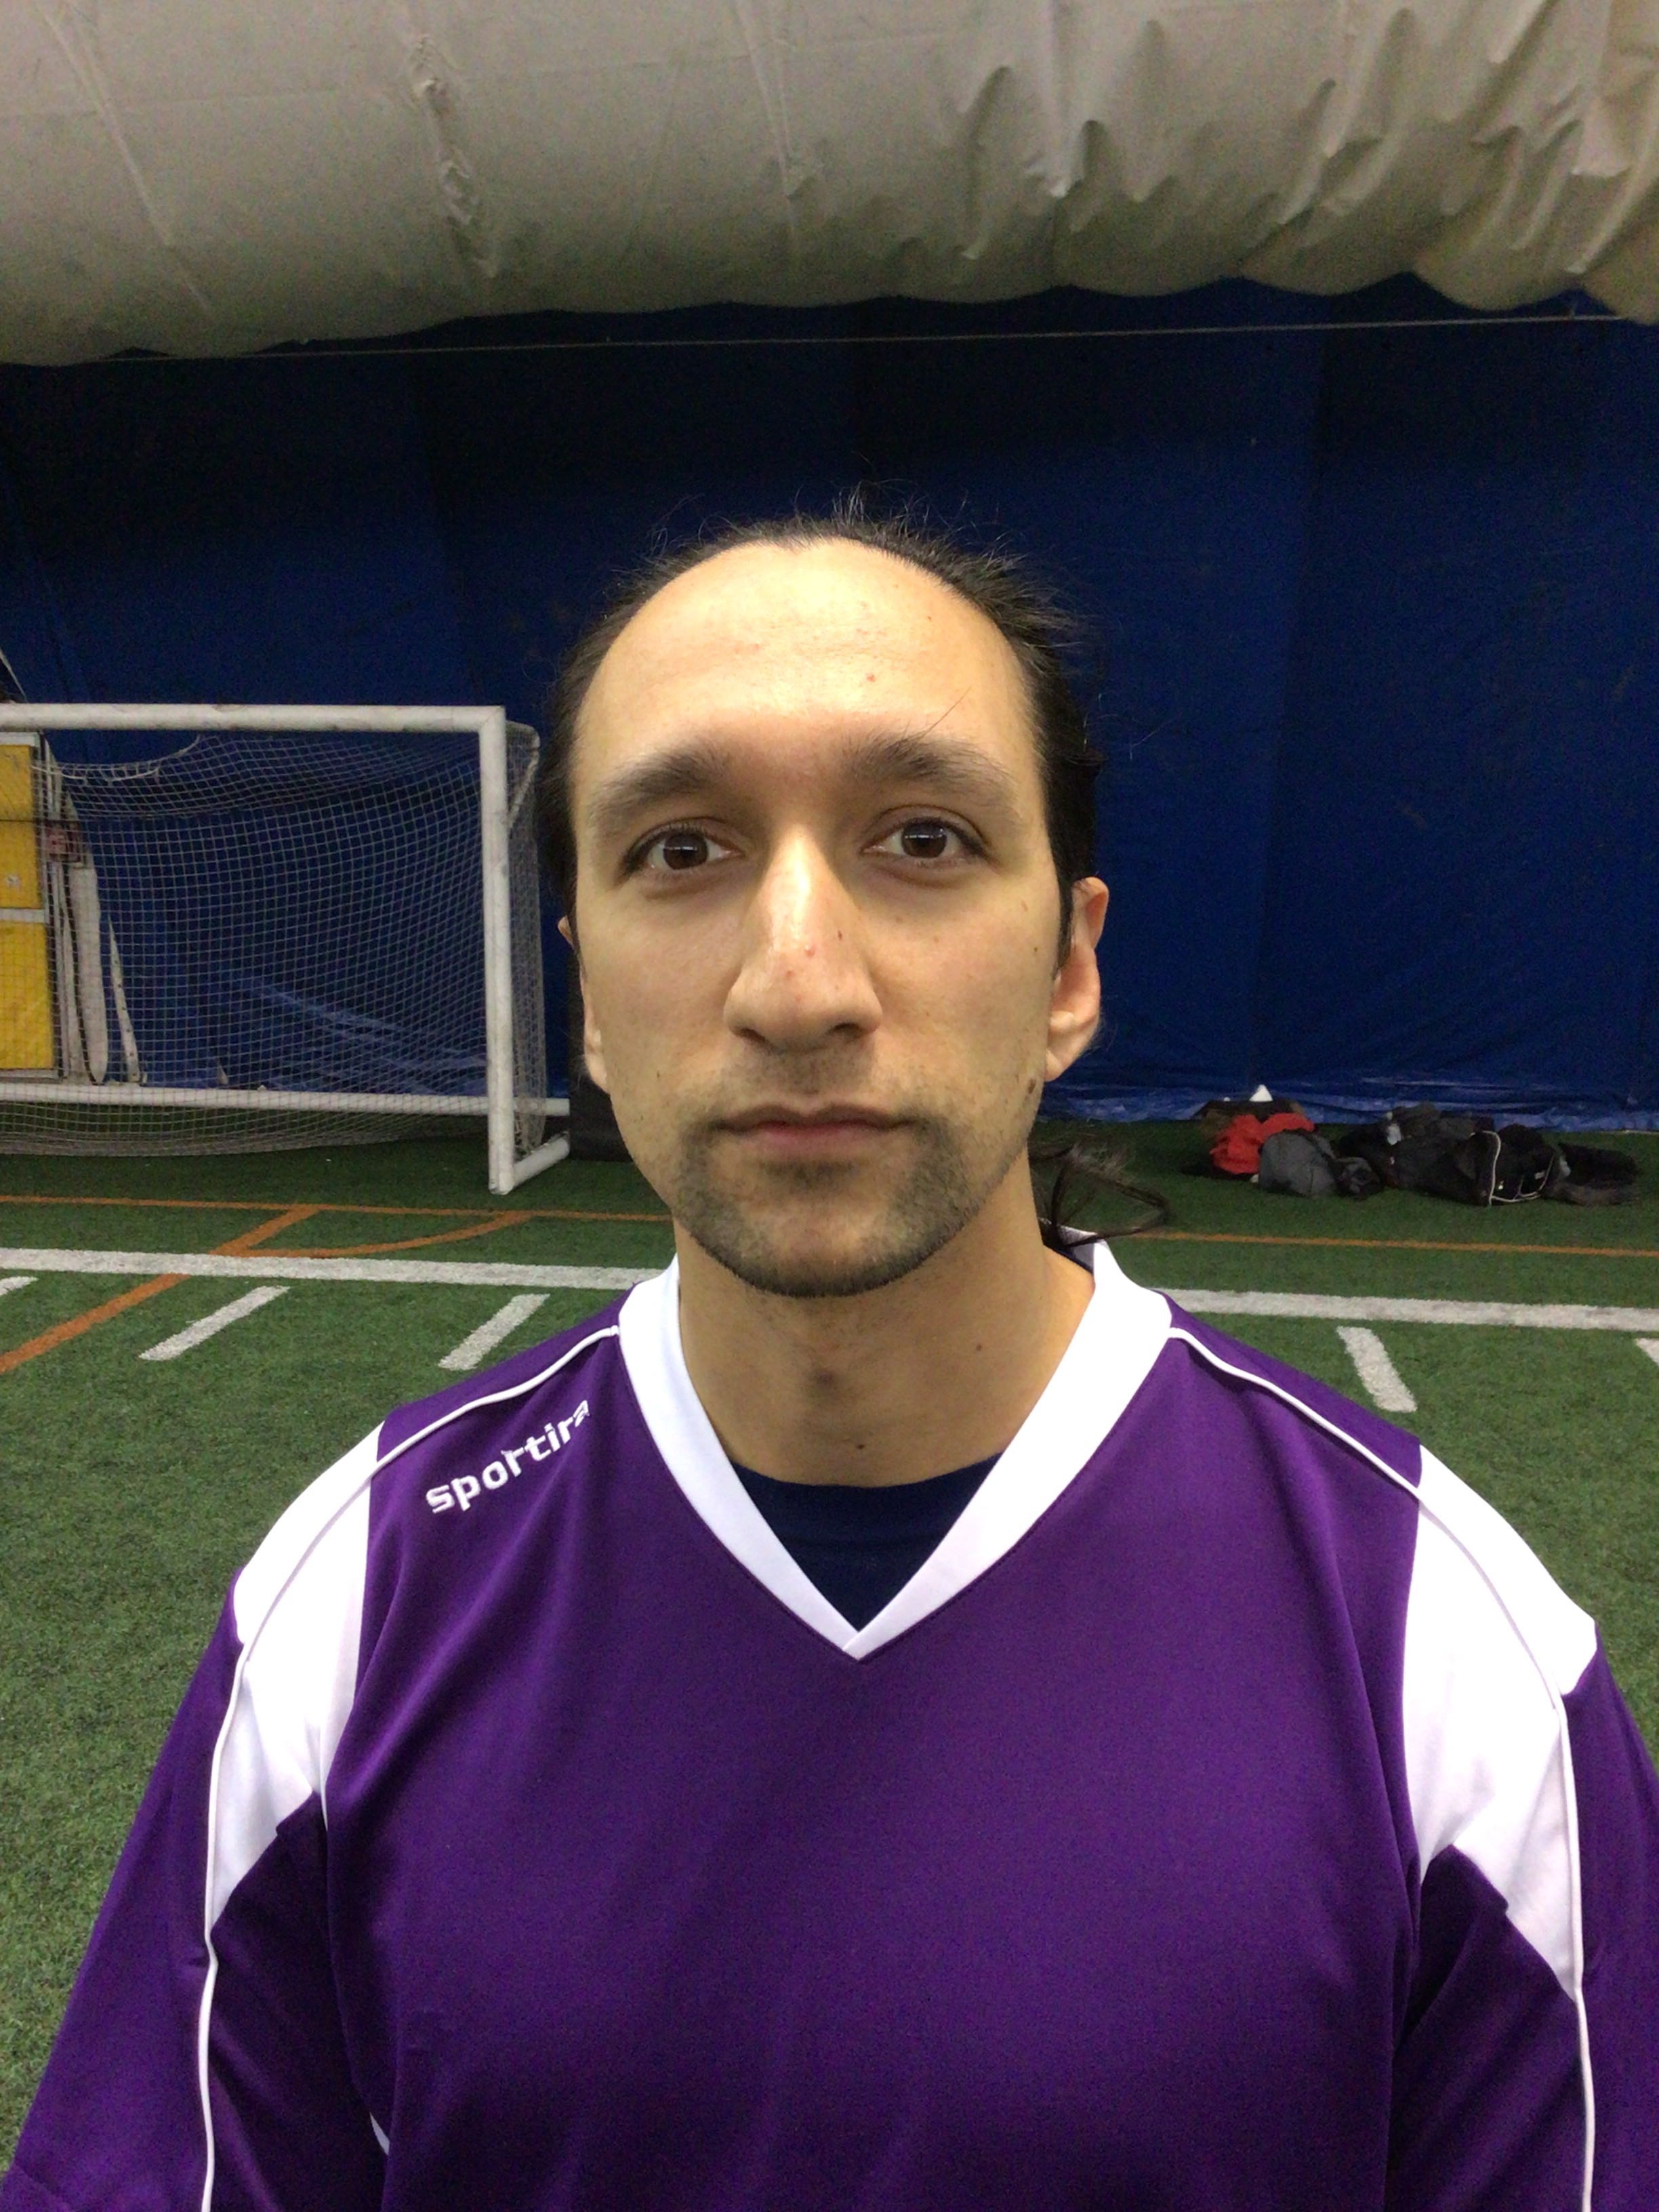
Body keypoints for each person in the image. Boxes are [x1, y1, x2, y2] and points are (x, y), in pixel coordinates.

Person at [5, 506, 1657, 2212]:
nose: (798, 985)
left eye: (924, 838)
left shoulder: (1440, 1645)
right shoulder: (354, 1605)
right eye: (681, 851)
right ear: (587, 992)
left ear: (1071, 966)